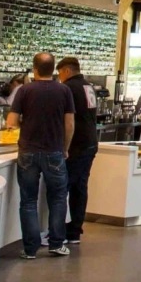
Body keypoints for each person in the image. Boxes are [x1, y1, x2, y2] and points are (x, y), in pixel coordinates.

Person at [6, 53, 75, 259]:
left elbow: (11, 121)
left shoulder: (24, 90)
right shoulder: (64, 90)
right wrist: (65, 147)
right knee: (58, 198)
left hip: (27, 151)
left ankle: (30, 249)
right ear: (54, 69)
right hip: (54, 150)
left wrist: (24, 126)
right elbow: (70, 124)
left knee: (28, 200)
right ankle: (56, 243)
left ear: (34, 69)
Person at [57, 58, 98, 245]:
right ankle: (75, 230)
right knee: (80, 187)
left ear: (65, 71)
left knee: (64, 188)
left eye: (59, 74)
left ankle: (59, 231)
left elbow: (67, 120)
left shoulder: (68, 88)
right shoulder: (88, 86)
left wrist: (64, 146)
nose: (59, 78)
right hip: (90, 141)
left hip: (77, 144)